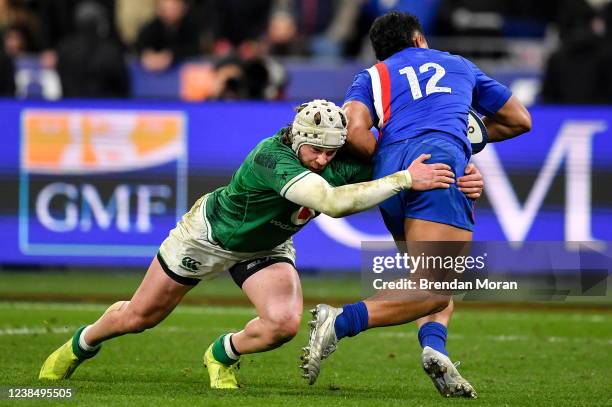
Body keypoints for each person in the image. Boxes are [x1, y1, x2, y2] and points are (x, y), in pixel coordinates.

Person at [39, 99, 483, 389]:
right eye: (318, 152)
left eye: (333, 151)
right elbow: (330, 201)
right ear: (299, 139)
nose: (326, 160)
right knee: (140, 316)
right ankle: (80, 344)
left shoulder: (340, 155)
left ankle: (221, 354)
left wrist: (463, 176)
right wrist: (405, 178)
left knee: (284, 325)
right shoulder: (272, 156)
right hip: (209, 237)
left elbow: (411, 160)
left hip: (267, 248)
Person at [301, 11, 532, 398]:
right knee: (439, 284)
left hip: (394, 174)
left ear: (380, 53)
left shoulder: (371, 76)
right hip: (439, 165)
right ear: (419, 39)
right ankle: (338, 322)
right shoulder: (456, 64)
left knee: (425, 279)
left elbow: (354, 131)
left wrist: (396, 162)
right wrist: (460, 139)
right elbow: (519, 120)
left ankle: (435, 349)